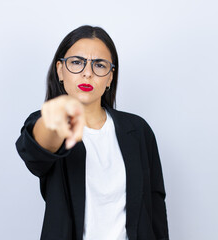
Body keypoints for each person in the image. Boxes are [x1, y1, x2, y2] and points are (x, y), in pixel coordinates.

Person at [15, 25, 169, 240]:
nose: (88, 72)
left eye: (99, 65)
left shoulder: (138, 130)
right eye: (77, 62)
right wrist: (53, 121)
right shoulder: (48, 124)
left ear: (109, 77)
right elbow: (38, 149)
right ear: (60, 70)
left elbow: (155, 206)